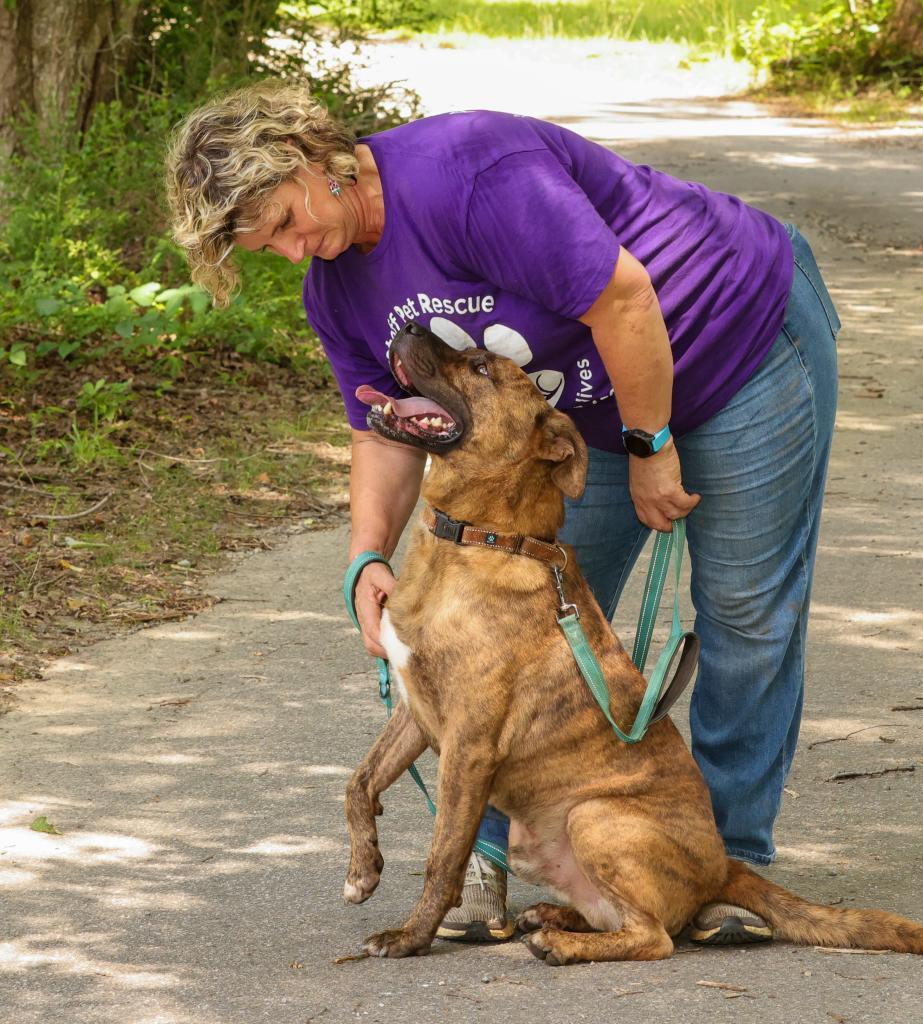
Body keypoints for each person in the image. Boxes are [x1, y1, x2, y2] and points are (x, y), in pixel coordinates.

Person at [166, 80, 840, 946]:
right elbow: (378, 431)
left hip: (733, 338)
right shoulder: (336, 291)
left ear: (307, 158)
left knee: (745, 607)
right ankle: (498, 857)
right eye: (272, 248)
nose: (297, 252)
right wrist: (366, 556)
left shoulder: (467, 174)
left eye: (289, 222)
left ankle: (719, 862)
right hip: (575, 413)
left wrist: (651, 445)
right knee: (509, 631)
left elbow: (625, 299)